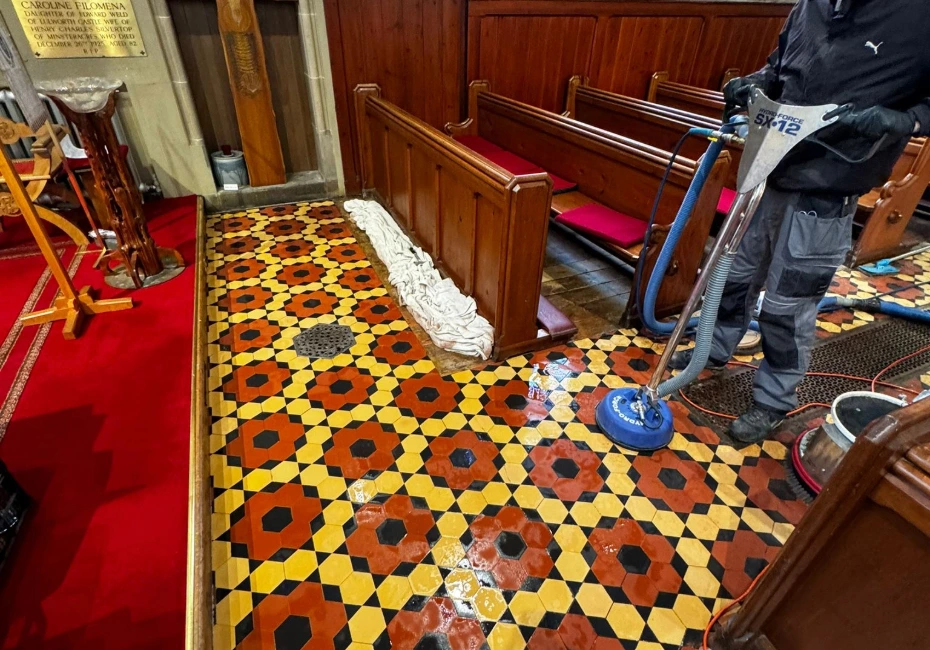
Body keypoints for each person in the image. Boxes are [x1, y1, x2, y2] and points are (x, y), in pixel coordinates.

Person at [669, 0, 930, 443]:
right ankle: (712, 352)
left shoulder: (918, 15)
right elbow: (780, 69)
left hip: (829, 185)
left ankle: (772, 400)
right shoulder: (812, 6)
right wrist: (750, 85)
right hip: (771, 170)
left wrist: (905, 119)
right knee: (732, 277)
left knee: (787, 306)